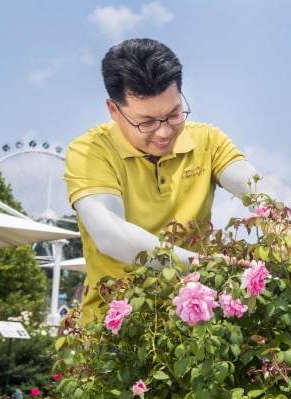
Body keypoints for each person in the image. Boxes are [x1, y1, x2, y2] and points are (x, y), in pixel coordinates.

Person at [64, 38, 261, 325]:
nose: (164, 132)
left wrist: (284, 228)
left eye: (174, 114)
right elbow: (111, 234)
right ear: (113, 110)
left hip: (195, 327)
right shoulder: (89, 152)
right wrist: (198, 265)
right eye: (146, 122)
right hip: (116, 332)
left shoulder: (206, 139)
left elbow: (256, 190)